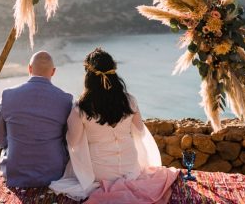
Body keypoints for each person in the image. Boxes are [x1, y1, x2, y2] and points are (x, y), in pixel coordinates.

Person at [50, 48, 179, 203]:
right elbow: (139, 129)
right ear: (114, 72)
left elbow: (73, 142)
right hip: (130, 169)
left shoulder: (80, 109)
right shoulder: (129, 100)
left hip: (100, 174)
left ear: (88, 76)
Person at [0, 51, 73, 187]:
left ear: (29, 68)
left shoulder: (8, 95)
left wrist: (9, 146)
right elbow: (68, 137)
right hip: (53, 172)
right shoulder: (65, 100)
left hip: (15, 171)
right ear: (53, 72)